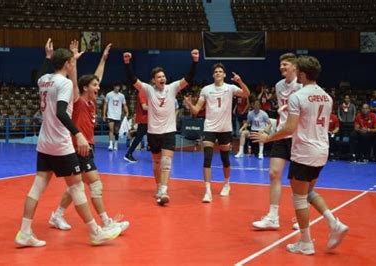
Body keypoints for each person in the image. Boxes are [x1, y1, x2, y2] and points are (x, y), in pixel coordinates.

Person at [14, 39, 120, 248]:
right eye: (72, 62)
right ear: (67, 64)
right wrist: (77, 133)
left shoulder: (43, 80)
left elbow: (42, 73)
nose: (74, 65)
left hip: (44, 142)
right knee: (77, 187)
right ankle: (95, 232)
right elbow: (61, 111)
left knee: (37, 188)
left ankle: (25, 232)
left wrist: (47, 56)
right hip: (61, 144)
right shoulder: (65, 84)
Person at [251, 55, 349, 255]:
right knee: (309, 193)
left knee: (299, 198)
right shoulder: (327, 96)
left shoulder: (298, 96)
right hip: (322, 150)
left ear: (302, 74)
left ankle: (305, 242)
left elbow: (289, 128)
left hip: (304, 151)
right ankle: (334, 223)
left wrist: (267, 138)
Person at [49, 43, 130, 235]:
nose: (98, 87)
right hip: (78, 147)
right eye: (94, 85)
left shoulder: (92, 100)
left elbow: (97, 76)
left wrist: (103, 58)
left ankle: (57, 215)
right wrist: (74, 61)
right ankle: (106, 222)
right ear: (85, 88)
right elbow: (75, 82)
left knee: (75, 185)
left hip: (87, 147)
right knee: (95, 184)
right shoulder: (78, 99)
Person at [123, 48, 199, 206]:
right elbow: (133, 79)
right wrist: (127, 63)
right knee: (156, 164)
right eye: (159, 77)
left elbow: (188, 78)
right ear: (153, 80)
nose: (162, 78)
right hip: (153, 132)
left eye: (163, 76)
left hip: (169, 132)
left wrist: (195, 62)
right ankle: (158, 187)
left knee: (166, 162)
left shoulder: (172, 88)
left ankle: (164, 189)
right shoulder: (149, 90)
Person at [184, 63, 250, 203]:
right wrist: (189, 104)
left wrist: (239, 81)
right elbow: (196, 111)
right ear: (213, 75)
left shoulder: (230, 88)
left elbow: (246, 94)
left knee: (225, 159)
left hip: (225, 128)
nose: (218, 73)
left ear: (224, 75)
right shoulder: (206, 90)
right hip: (209, 127)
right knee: (207, 158)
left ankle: (227, 184)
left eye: (220, 71)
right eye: (216, 72)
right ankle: (207, 191)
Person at [252, 53, 302, 229]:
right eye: (281, 65)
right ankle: (273, 217)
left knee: (297, 180)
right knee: (274, 173)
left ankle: (300, 217)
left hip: (297, 136)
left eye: (286, 65)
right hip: (282, 134)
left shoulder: (302, 86)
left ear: (295, 67)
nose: (282, 67)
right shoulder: (279, 86)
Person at [124, 88, 148, 163]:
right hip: (144, 120)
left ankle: (129, 154)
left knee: (143, 137)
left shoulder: (149, 94)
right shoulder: (143, 93)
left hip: (148, 120)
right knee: (139, 137)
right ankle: (128, 154)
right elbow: (144, 107)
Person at [104, 83, 128, 151]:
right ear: (114, 87)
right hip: (110, 115)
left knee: (116, 131)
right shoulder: (109, 94)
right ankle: (111, 144)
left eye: (119, 86)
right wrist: (104, 114)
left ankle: (116, 144)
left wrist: (127, 112)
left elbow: (124, 105)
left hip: (118, 115)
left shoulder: (122, 96)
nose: (118, 88)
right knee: (111, 130)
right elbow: (105, 104)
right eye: (116, 86)